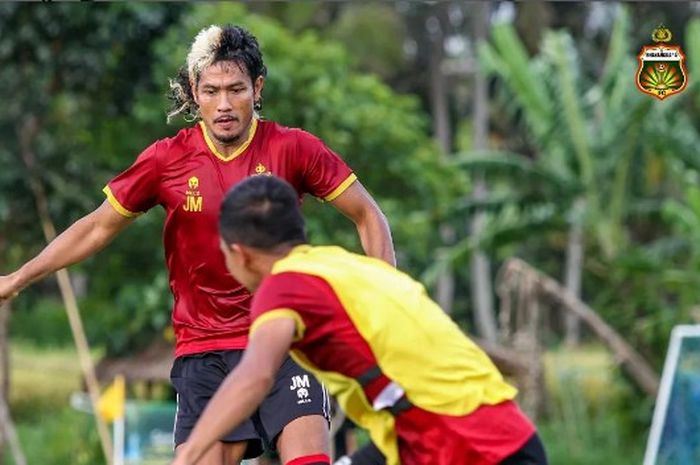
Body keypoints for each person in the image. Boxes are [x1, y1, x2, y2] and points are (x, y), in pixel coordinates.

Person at [0, 25, 395, 465]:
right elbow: (96, 228)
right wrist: (16, 278)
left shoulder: (294, 148)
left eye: (236, 89)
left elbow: (367, 214)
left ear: (257, 87)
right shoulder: (166, 159)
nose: (223, 105)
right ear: (194, 90)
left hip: (286, 335)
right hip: (204, 351)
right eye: (211, 91)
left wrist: (386, 307)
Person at [171, 175, 548, 465]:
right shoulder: (347, 267)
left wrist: (189, 455)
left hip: (460, 444)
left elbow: (254, 377)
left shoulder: (283, 287)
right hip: (498, 432)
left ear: (241, 254)